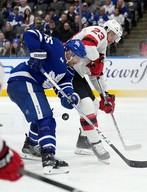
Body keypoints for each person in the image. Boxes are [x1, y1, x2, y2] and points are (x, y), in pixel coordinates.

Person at [7, 29, 86, 175]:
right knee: (46, 119)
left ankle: (30, 146)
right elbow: (30, 33)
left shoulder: (68, 72)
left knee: (43, 115)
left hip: (28, 85)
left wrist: (70, 98)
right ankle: (49, 158)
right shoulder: (56, 46)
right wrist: (37, 53)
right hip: (23, 80)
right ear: (69, 52)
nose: (77, 62)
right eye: (77, 58)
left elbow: (64, 91)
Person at [70, 19, 123, 164]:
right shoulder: (100, 32)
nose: (114, 40)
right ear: (108, 30)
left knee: (94, 103)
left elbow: (96, 75)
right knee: (87, 105)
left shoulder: (103, 45)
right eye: (114, 35)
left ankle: (83, 142)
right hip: (67, 69)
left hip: (76, 73)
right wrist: (95, 59)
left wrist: (104, 95)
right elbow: (87, 44)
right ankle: (96, 143)